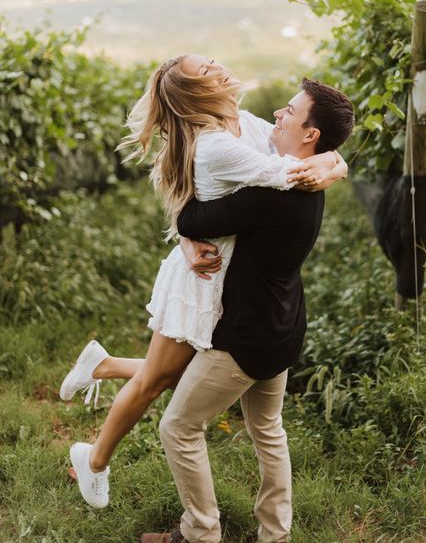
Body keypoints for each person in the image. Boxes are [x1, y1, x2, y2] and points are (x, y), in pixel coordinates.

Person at [59, 55, 348, 509]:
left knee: (181, 378)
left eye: (212, 62)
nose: (219, 67)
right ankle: (93, 462)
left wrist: (333, 160)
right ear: (200, 94)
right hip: (203, 278)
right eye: (208, 72)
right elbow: (289, 173)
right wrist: (332, 161)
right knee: (159, 382)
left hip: (225, 271)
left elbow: (293, 153)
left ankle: (104, 366)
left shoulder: (246, 125)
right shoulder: (215, 145)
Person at [141, 77, 355, 543]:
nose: (278, 113)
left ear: (310, 135)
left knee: (177, 427)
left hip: (246, 337)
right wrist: (334, 163)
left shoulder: (271, 194)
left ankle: (199, 534)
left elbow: (191, 217)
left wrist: (184, 231)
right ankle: (275, 536)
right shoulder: (309, 183)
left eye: (290, 111)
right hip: (284, 326)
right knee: (267, 429)